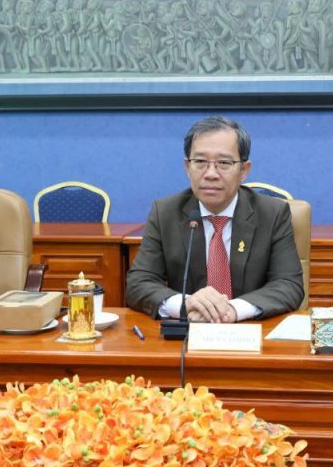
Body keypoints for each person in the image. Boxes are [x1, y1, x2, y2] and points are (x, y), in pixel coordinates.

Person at [125, 116, 303, 322]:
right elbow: (138, 283)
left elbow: (289, 284)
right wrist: (185, 304)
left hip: (251, 331)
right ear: (187, 167)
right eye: (200, 162)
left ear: (244, 170)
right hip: (190, 331)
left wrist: (233, 309)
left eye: (224, 163)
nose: (211, 174)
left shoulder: (272, 213)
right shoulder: (165, 213)